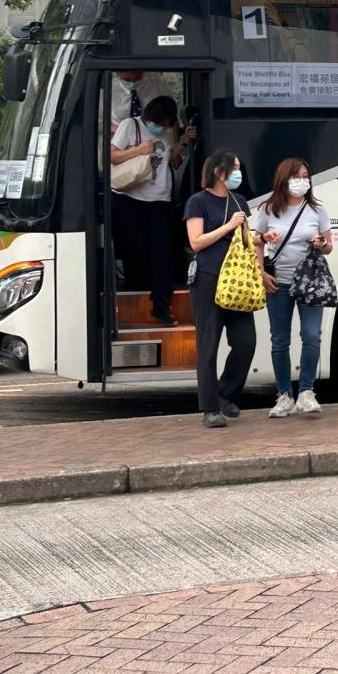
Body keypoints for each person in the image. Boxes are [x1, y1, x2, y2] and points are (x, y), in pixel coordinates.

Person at [184, 150, 261, 428]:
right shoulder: (198, 202)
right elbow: (196, 242)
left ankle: (227, 393)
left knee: (245, 341)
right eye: (235, 168)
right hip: (207, 277)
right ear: (219, 172)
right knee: (209, 343)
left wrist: (261, 239)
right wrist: (228, 226)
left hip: (237, 279)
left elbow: (246, 239)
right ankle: (209, 408)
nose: (240, 173)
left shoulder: (238, 201)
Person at [253, 158, 333, 419]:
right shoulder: (268, 209)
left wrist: (321, 244)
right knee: (279, 340)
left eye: (306, 176)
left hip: (309, 283)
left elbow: (329, 245)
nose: (303, 181)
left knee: (312, 335)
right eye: (297, 176)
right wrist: (262, 272)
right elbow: (257, 241)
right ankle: (284, 395)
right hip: (279, 283)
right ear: (284, 179)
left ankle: (307, 392)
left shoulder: (316, 210)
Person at [111, 95, 192, 326]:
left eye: (167, 125)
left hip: (160, 200)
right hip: (131, 198)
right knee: (136, 251)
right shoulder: (130, 125)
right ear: (150, 118)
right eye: (159, 124)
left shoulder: (166, 133)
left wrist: (182, 143)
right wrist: (138, 150)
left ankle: (161, 306)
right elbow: (112, 155)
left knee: (162, 254)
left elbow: (172, 161)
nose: (162, 129)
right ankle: (135, 300)